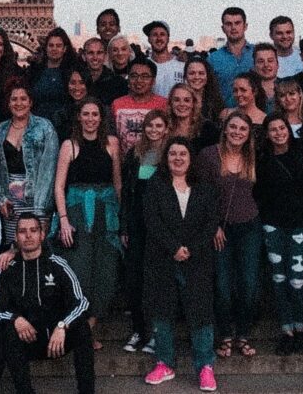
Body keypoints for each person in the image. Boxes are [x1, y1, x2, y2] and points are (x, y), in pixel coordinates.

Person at [140, 138, 220, 391]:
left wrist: (191, 248)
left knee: (201, 313)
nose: (177, 158)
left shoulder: (205, 187)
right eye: (172, 153)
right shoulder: (155, 185)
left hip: (198, 260)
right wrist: (173, 247)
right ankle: (164, 363)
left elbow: (211, 222)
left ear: (190, 158)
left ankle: (205, 366)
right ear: (166, 158)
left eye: (182, 153)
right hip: (163, 258)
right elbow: (151, 220)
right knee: (163, 312)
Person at [0, 213, 94, 394]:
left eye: (33, 230)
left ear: (42, 235)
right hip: (27, 341)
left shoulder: (57, 264)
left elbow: (81, 302)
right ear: (16, 237)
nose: (28, 236)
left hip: (56, 339)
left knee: (82, 328)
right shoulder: (6, 269)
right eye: (22, 231)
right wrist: (16, 318)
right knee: (5, 330)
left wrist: (62, 326)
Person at [51, 95, 122, 351]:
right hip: (77, 211)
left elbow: (117, 183)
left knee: (106, 270)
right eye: (86, 114)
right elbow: (59, 186)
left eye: (95, 114)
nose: (90, 119)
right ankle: (79, 327)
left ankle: (89, 326)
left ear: (101, 118)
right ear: (78, 117)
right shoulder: (69, 145)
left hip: (106, 212)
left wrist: (121, 221)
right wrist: (63, 220)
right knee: (79, 269)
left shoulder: (112, 143)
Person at [195, 111, 261, 359]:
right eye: (233, 127)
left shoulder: (252, 156)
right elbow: (200, 194)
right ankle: (224, 335)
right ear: (225, 129)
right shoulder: (209, 155)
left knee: (249, 283)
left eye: (243, 129)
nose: (237, 133)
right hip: (220, 228)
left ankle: (243, 334)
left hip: (249, 225)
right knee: (222, 285)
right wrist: (213, 225)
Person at [255, 113, 303, 355]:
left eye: (282, 128)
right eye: (273, 129)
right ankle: (286, 329)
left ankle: (301, 328)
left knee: (297, 278)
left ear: (288, 129)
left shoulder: (302, 150)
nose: (279, 133)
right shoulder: (262, 158)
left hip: (300, 224)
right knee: (278, 279)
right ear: (267, 134)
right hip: (273, 224)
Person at [119, 108, 168, 354]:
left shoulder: (171, 154)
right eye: (150, 126)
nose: (154, 130)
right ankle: (139, 330)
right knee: (135, 279)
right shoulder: (135, 154)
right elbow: (128, 193)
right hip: (137, 223)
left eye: (159, 126)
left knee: (157, 280)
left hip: (161, 225)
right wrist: (125, 225)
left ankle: (157, 333)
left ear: (166, 128)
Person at [0, 83, 60, 246]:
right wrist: (0, 198)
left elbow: (49, 170)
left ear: (30, 102)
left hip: (38, 197)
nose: (18, 103)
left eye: (23, 99)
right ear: (8, 103)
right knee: (13, 245)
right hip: (10, 202)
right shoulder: (0, 129)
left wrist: (39, 210)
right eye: (14, 99)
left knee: (37, 245)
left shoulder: (45, 127)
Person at [110, 58, 168, 154]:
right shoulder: (117, 104)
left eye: (145, 76)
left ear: (153, 81)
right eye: (134, 76)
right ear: (128, 79)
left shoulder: (164, 105)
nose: (139, 80)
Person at [26, 27, 77, 120]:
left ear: (64, 49)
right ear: (46, 48)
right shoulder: (34, 72)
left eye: (58, 45)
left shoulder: (72, 73)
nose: (54, 48)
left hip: (62, 125)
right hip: (37, 124)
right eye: (51, 45)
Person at [209, 7, 255, 107]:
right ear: (223, 28)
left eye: (237, 23)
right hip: (224, 117)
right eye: (229, 24)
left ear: (245, 26)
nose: (233, 27)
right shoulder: (213, 59)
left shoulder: (257, 54)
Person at [167, 83, 221, 155]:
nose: (182, 104)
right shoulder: (165, 127)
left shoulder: (208, 128)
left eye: (186, 100)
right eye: (177, 100)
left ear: (193, 103)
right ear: (171, 103)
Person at [79, 37, 126, 106]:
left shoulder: (118, 83)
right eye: (90, 53)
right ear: (83, 56)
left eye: (99, 53)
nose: (95, 58)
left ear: (106, 56)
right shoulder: (76, 81)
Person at [275, 78, 303, 156]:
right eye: (282, 95)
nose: (288, 99)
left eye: (291, 93)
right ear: (278, 99)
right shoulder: (274, 122)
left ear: (299, 94)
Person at [143, 20, 185, 98]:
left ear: (168, 38)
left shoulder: (182, 66)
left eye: (162, 34)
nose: (159, 38)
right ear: (149, 39)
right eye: (154, 35)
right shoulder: (143, 66)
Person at [185, 56, 225, 123]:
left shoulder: (216, 101)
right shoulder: (178, 101)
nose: (197, 77)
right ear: (185, 77)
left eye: (201, 73)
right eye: (192, 73)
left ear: (207, 76)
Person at [252, 43, 280, 110]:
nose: (266, 65)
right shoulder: (248, 90)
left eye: (270, 61)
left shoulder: (289, 87)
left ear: (277, 64)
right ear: (254, 66)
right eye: (261, 61)